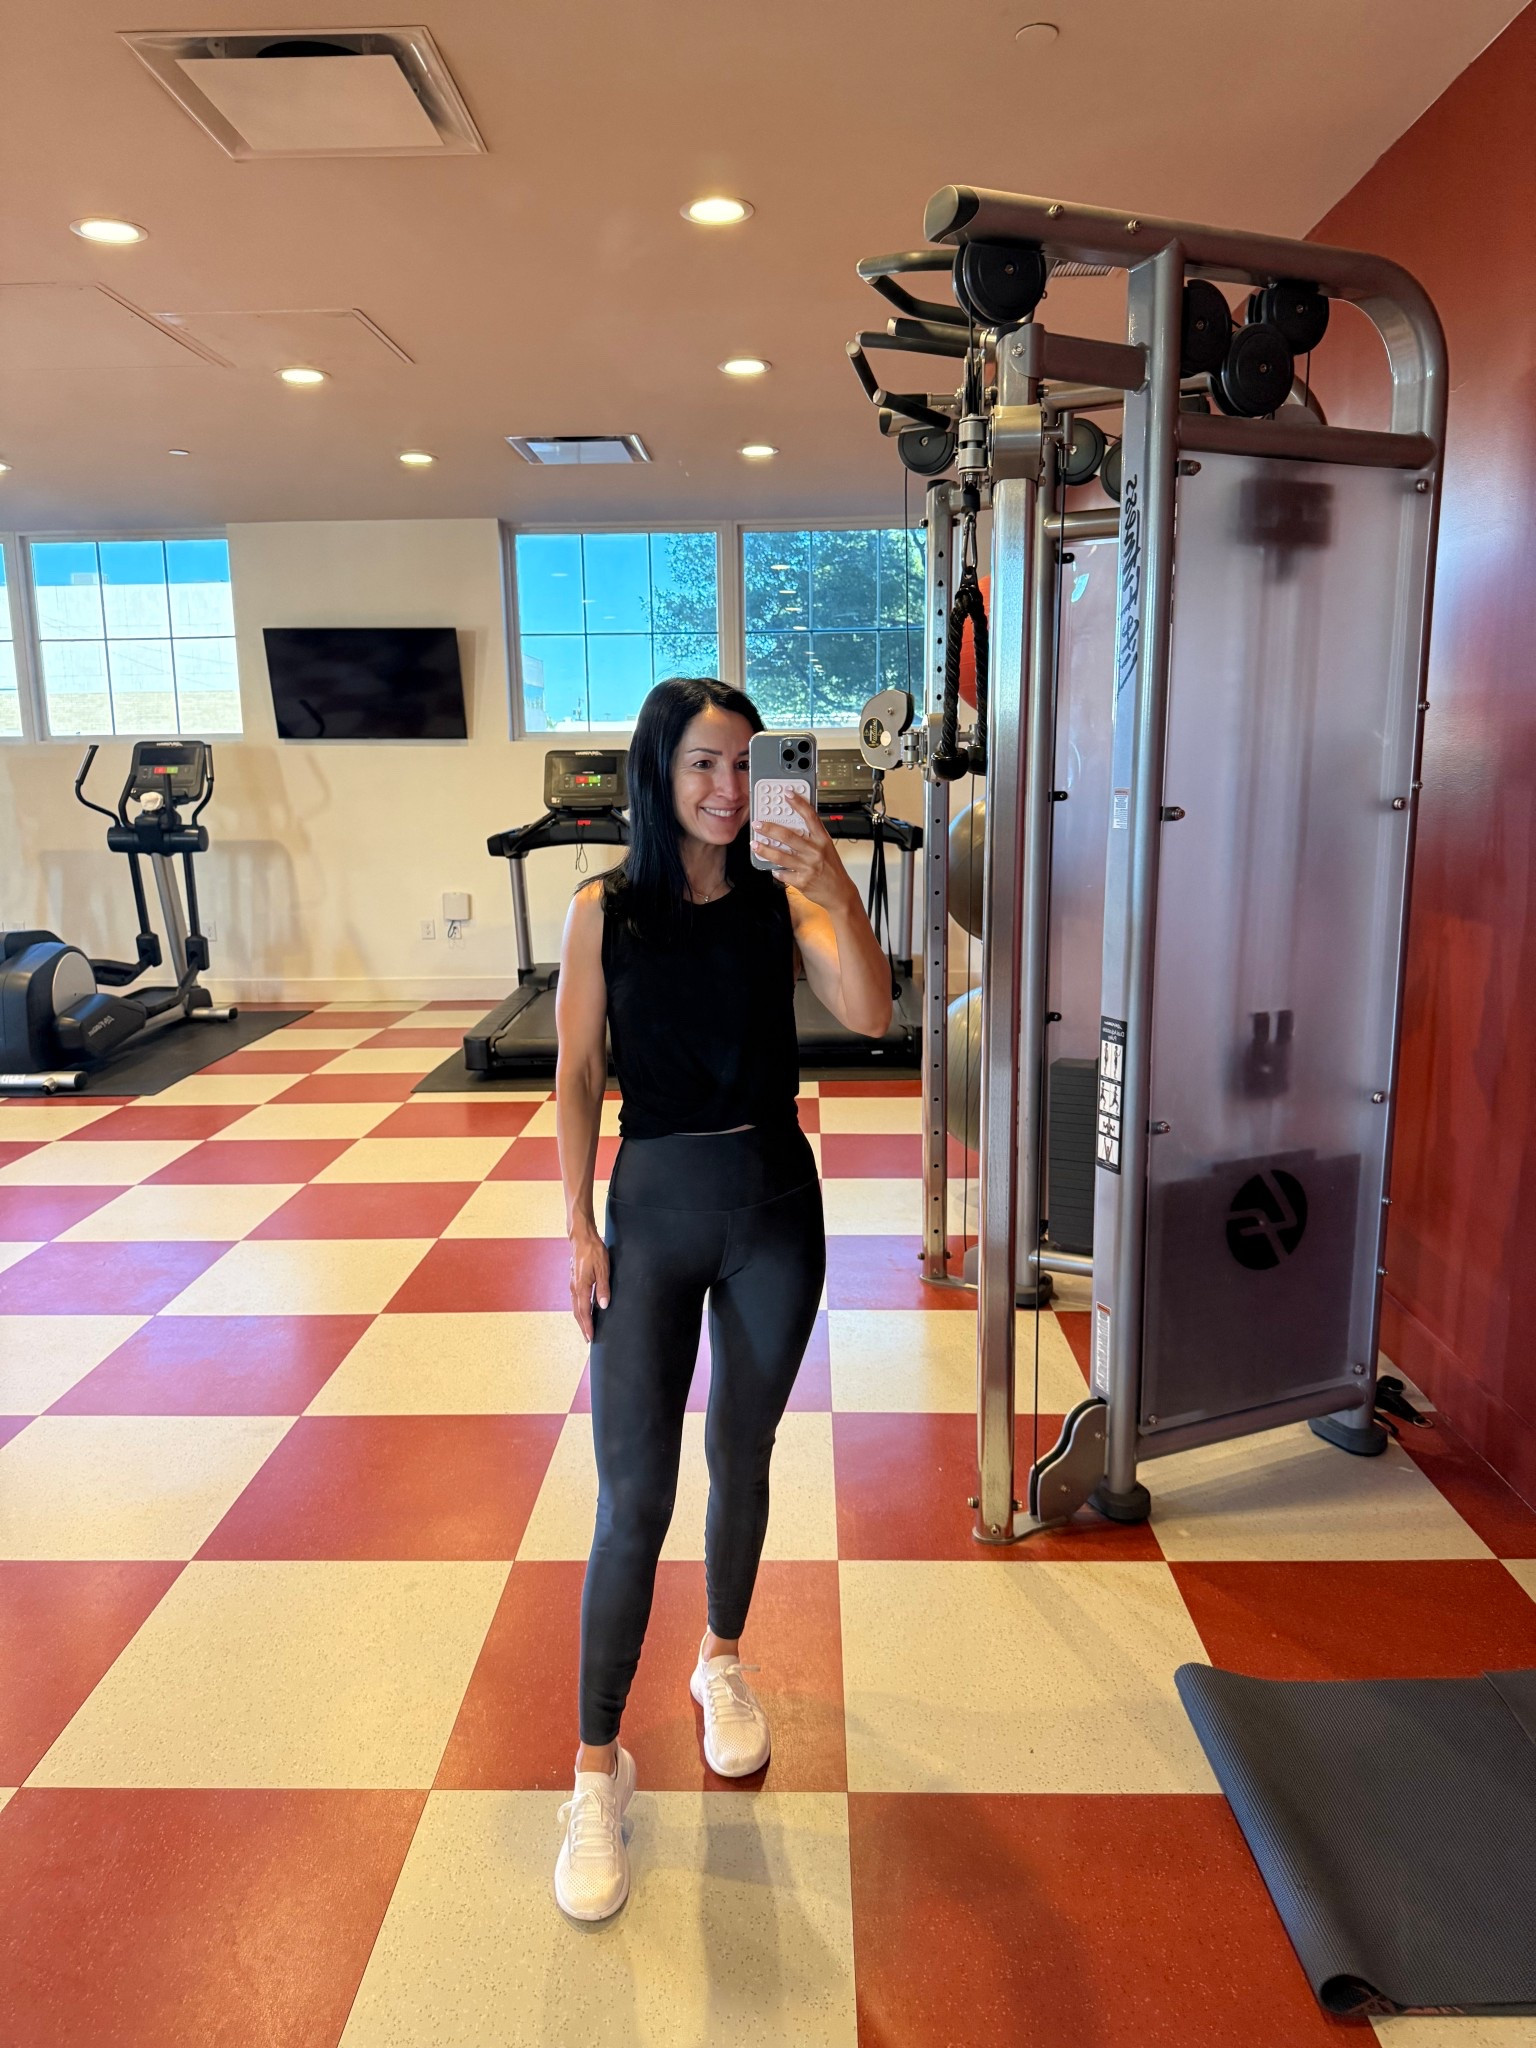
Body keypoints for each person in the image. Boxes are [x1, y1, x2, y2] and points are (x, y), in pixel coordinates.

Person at [551, 675, 893, 1921]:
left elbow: (870, 1008)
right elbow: (580, 1068)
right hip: (652, 1206)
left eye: (748, 765)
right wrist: (578, 1222)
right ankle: (596, 1768)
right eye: (704, 764)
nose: (729, 790)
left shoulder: (780, 902)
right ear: (659, 770)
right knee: (631, 1495)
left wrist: (835, 883)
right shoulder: (605, 909)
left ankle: (722, 1660)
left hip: (771, 1210)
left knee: (740, 1450)